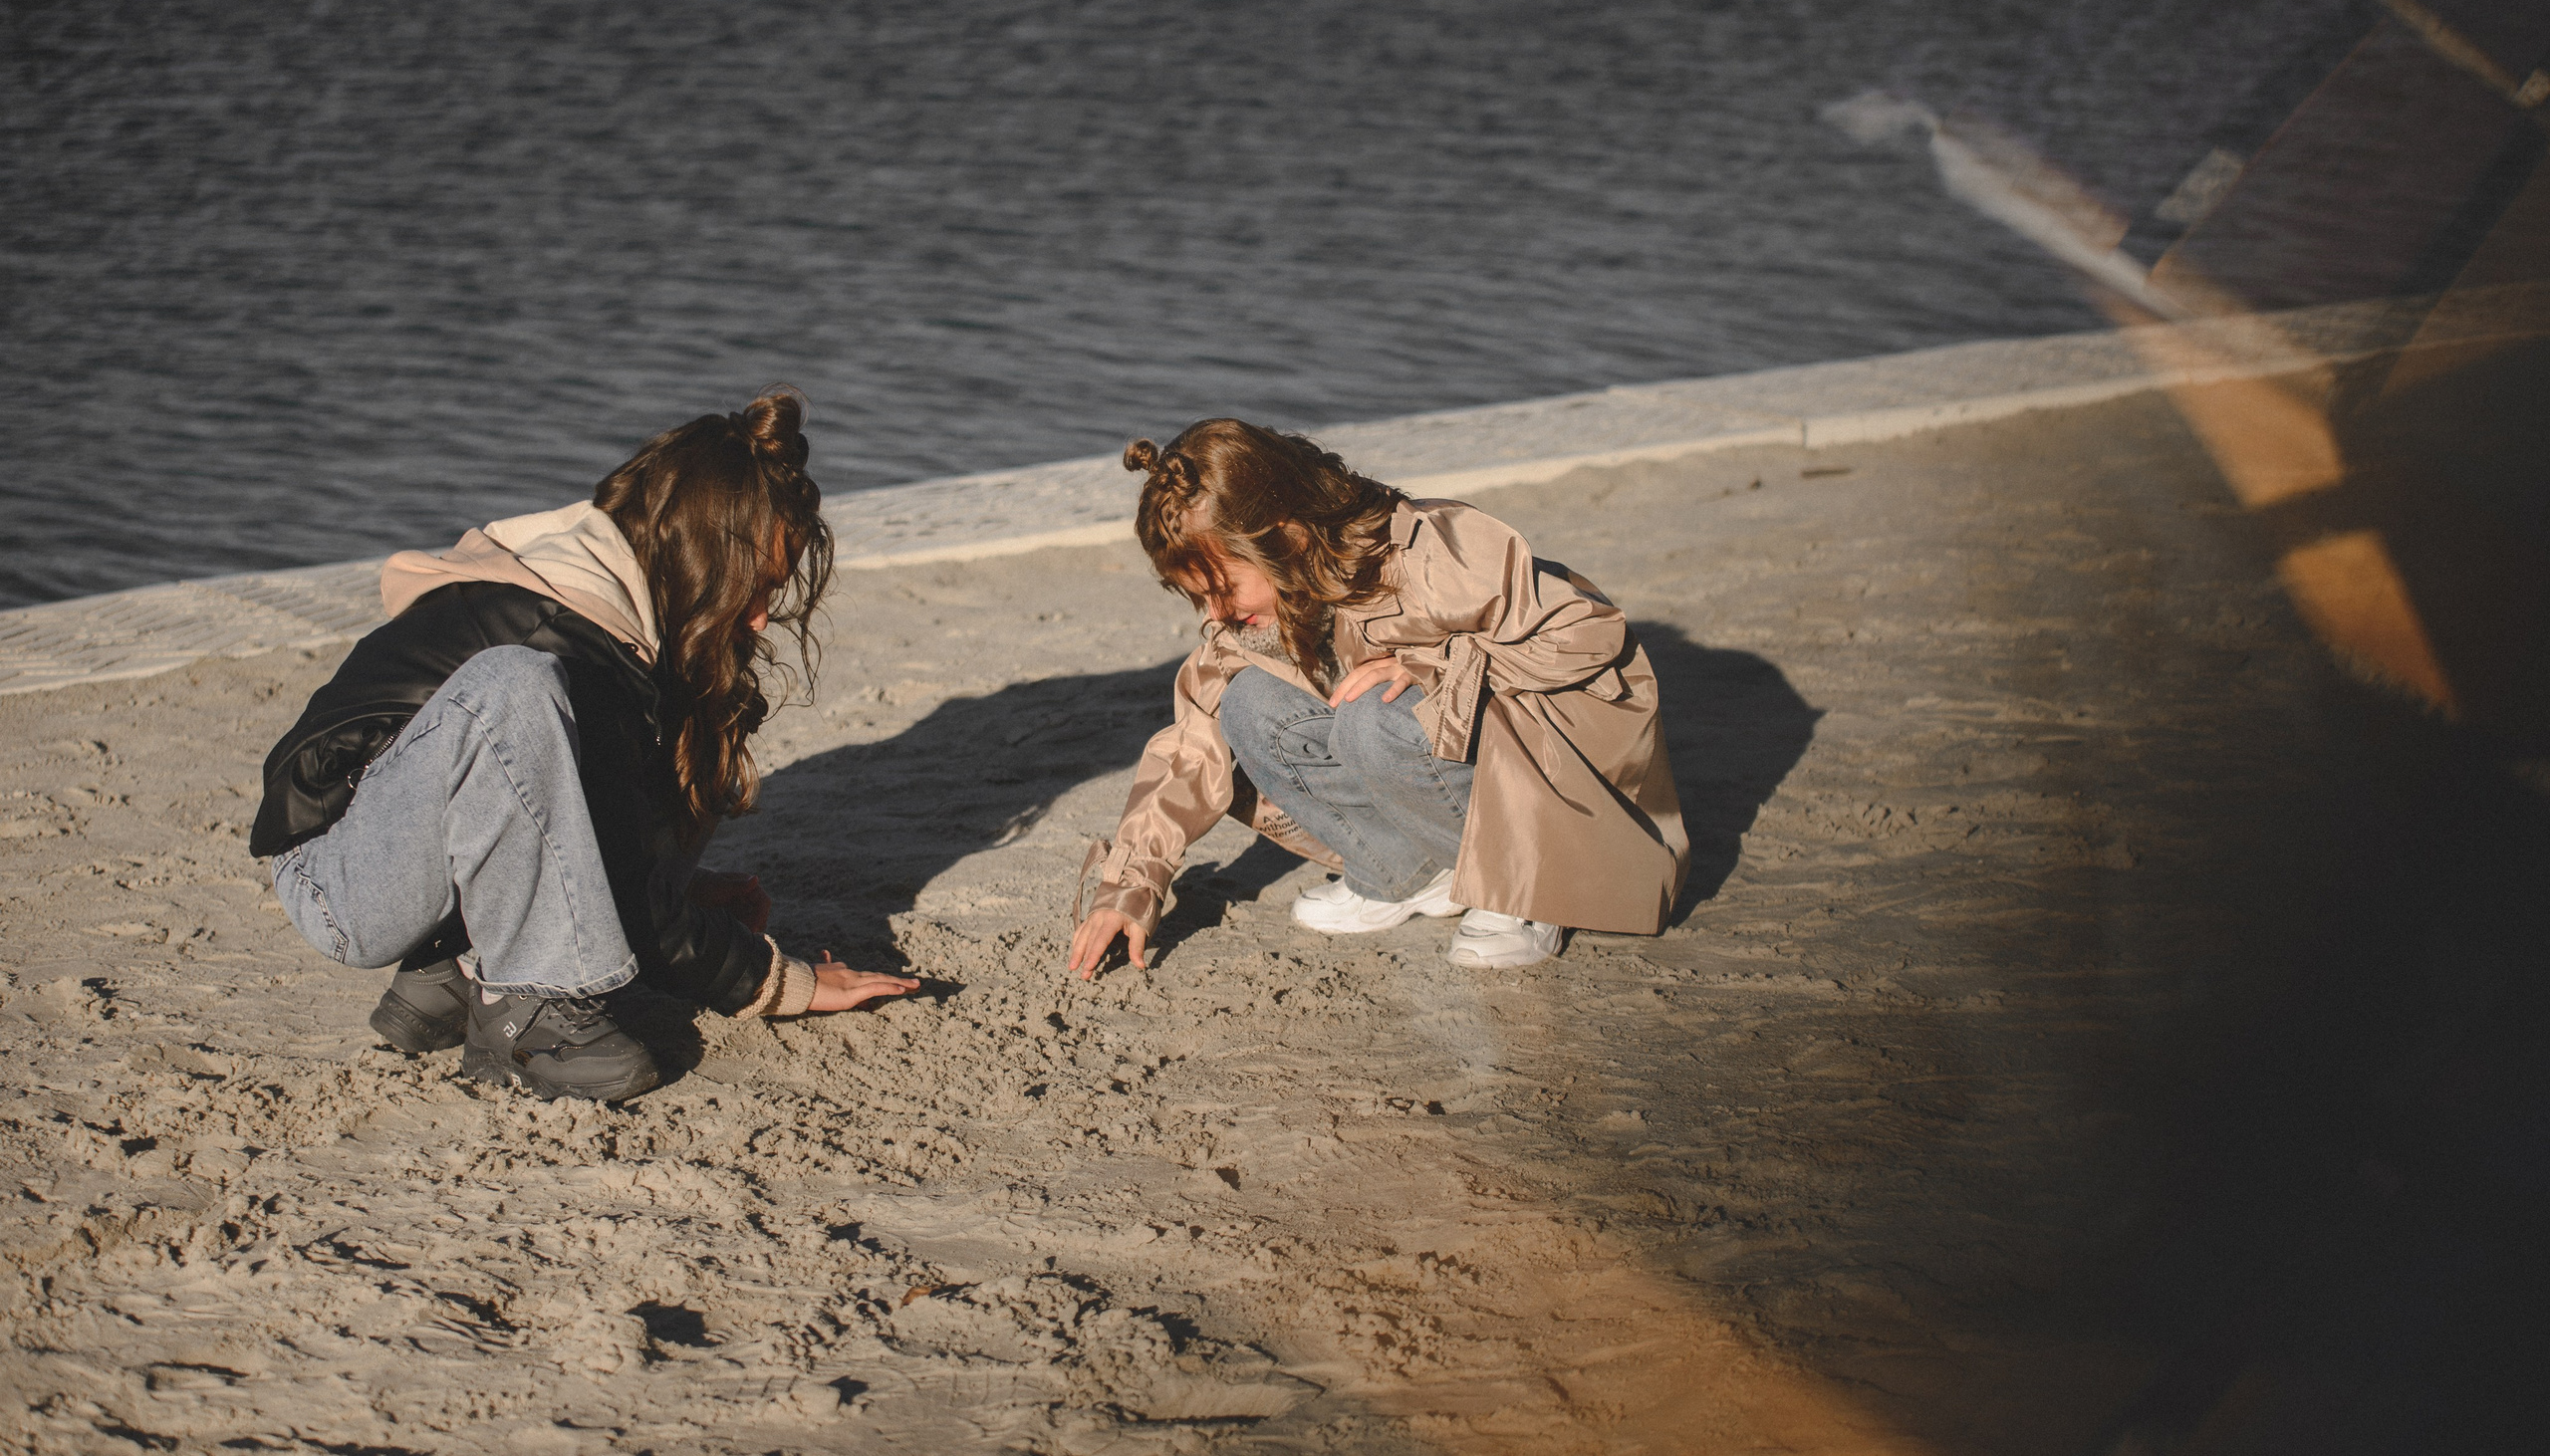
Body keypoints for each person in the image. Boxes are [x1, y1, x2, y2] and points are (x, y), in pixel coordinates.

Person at [248, 389, 915, 1101]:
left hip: (425, 852)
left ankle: (453, 969)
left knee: (708, 716)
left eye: (772, 591)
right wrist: (781, 981)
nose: (760, 616)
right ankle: (526, 1009)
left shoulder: (632, 617)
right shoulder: (566, 635)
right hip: (343, 877)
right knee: (520, 686)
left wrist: (676, 884)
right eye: (752, 588)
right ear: (698, 555)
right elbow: (629, 895)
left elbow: (613, 831)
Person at [1068, 418, 1688, 977]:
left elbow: (1589, 637)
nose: (1214, 614)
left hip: (1558, 806)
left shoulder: (1427, 554)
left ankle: (1522, 894)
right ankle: (1414, 873)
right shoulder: (1261, 615)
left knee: (1375, 720)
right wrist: (1130, 888)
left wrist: (1432, 664)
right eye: (1198, 597)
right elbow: (1188, 748)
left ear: (1285, 538)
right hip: (1440, 771)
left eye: (1223, 589)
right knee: (1248, 708)